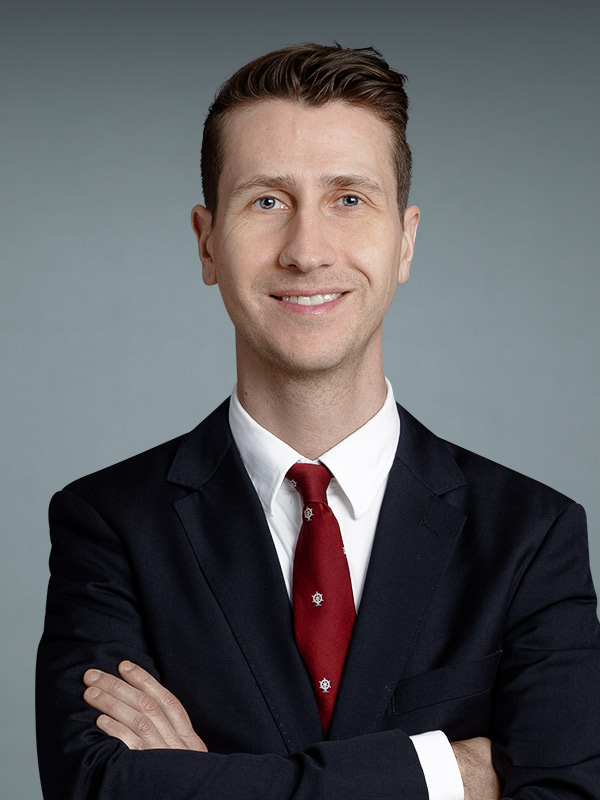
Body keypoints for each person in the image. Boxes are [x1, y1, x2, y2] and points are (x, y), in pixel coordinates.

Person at [36, 44, 600, 799]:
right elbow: (97, 788)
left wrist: (199, 781)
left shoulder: (534, 536)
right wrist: (443, 773)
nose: (306, 251)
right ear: (207, 242)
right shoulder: (108, 525)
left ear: (404, 241)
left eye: (349, 200)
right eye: (267, 201)